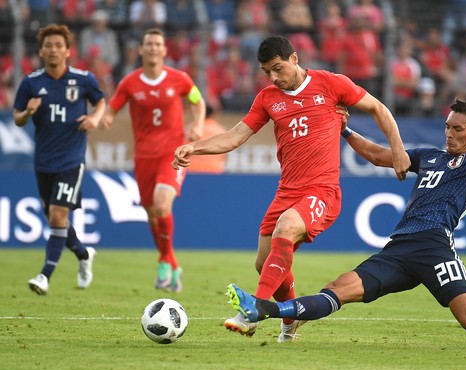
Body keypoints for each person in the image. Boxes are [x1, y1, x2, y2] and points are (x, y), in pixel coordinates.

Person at [226, 86, 466, 350]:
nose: (449, 134)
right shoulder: (429, 157)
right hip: (399, 248)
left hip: (435, 246)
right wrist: (344, 131)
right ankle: (267, 311)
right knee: (336, 290)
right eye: (448, 127)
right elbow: (380, 155)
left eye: (458, 130)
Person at [172, 35, 410, 342]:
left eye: (277, 68)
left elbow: (379, 109)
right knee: (264, 263)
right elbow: (234, 136)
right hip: (286, 191)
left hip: (322, 190)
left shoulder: (331, 84)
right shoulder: (268, 98)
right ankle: (291, 318)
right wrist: (195, 147)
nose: (273, 77)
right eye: (266, 72)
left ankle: (253, 310)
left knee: (285, 229)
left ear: (294, 59)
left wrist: (399, 149)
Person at [101, 28, 206, 292]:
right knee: (151, 215)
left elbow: (197, 100)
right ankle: (171, 262)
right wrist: (107, 118)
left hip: (173, 153)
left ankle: (163, 260)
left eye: (157, 43)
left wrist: (197, 123)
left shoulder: (178, 79)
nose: (152, 48)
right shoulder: (130, 83)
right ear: (141, 50)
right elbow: (112, 108)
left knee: (161, 205)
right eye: (148, 44)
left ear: (164, 50)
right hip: (143, 156)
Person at [13, 24, 105, 295]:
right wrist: (27, 113)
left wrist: (94, 119)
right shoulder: (31, 83)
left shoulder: (83, 79)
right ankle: (84, 254)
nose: (53, 50)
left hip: (71, 159)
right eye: (48, 45)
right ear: (41, 51)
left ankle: (44, 276)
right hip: (43, 161)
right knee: (56, 220)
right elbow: (17, 118)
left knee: (57, 215)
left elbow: (100, 102)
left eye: (58, 45)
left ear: (68, 50)